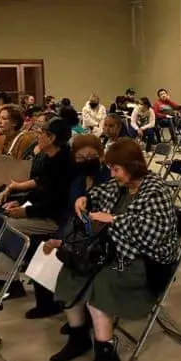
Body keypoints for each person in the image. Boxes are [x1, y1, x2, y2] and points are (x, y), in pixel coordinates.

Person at [49, 138, 178, 361]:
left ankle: (106, 354)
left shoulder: (156, 190)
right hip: (116, 250)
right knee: (72, 268)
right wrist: (84, 199)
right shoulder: (121, 185)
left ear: (132, 166)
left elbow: (154, 235)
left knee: (102, 282)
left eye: (116, 169)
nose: (112, 174)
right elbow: (99, 193)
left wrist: (114, 220)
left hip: (146, 261)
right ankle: (78, 337)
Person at [28, 134, 112, 320]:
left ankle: (80, 313)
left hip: (95, 236)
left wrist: (65, 241)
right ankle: (50, 303)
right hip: (73, 231)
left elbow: (100, 220)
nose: (86, 161)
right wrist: (61, 236)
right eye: (80, 157)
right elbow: (69, 213)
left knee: (66, 252)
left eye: (91, 156)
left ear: (101, 155)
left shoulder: (108, 180)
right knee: (39, 245)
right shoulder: (78, 180)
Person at [0, 117, 75, 295]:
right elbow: (39, 189)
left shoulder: (64, 164)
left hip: (56, 218)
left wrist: (25, 211)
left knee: (4, 227)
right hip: (43, 211)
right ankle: (4, 277)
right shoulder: (50, 157)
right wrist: (19, 203)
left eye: (41, 133)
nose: (38, 137)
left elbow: (55, 202)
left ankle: (10, 282)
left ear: (51, 138)